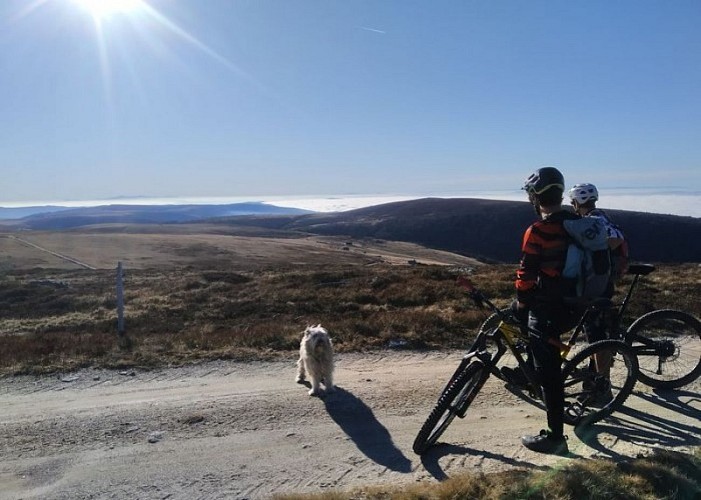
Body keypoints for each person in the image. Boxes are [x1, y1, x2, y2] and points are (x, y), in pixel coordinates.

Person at [514, 166, 580, 454]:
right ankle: (528, 369)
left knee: (550, 371)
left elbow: (526, 274)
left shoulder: (538, 230)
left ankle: (555, 437)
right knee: (519, 317)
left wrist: (523, 299)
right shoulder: (577, 222)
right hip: (577, 302)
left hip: (551, 306)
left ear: (535, 197)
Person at [568, 183, 627, 403]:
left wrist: (594, 251)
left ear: (576, 202)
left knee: (596, 335)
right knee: (597, 331)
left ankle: (602, 387)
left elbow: (616, 238)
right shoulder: (599, 216)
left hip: (598, 283)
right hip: (601, 281)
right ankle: (595, 373)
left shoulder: (595, 219)